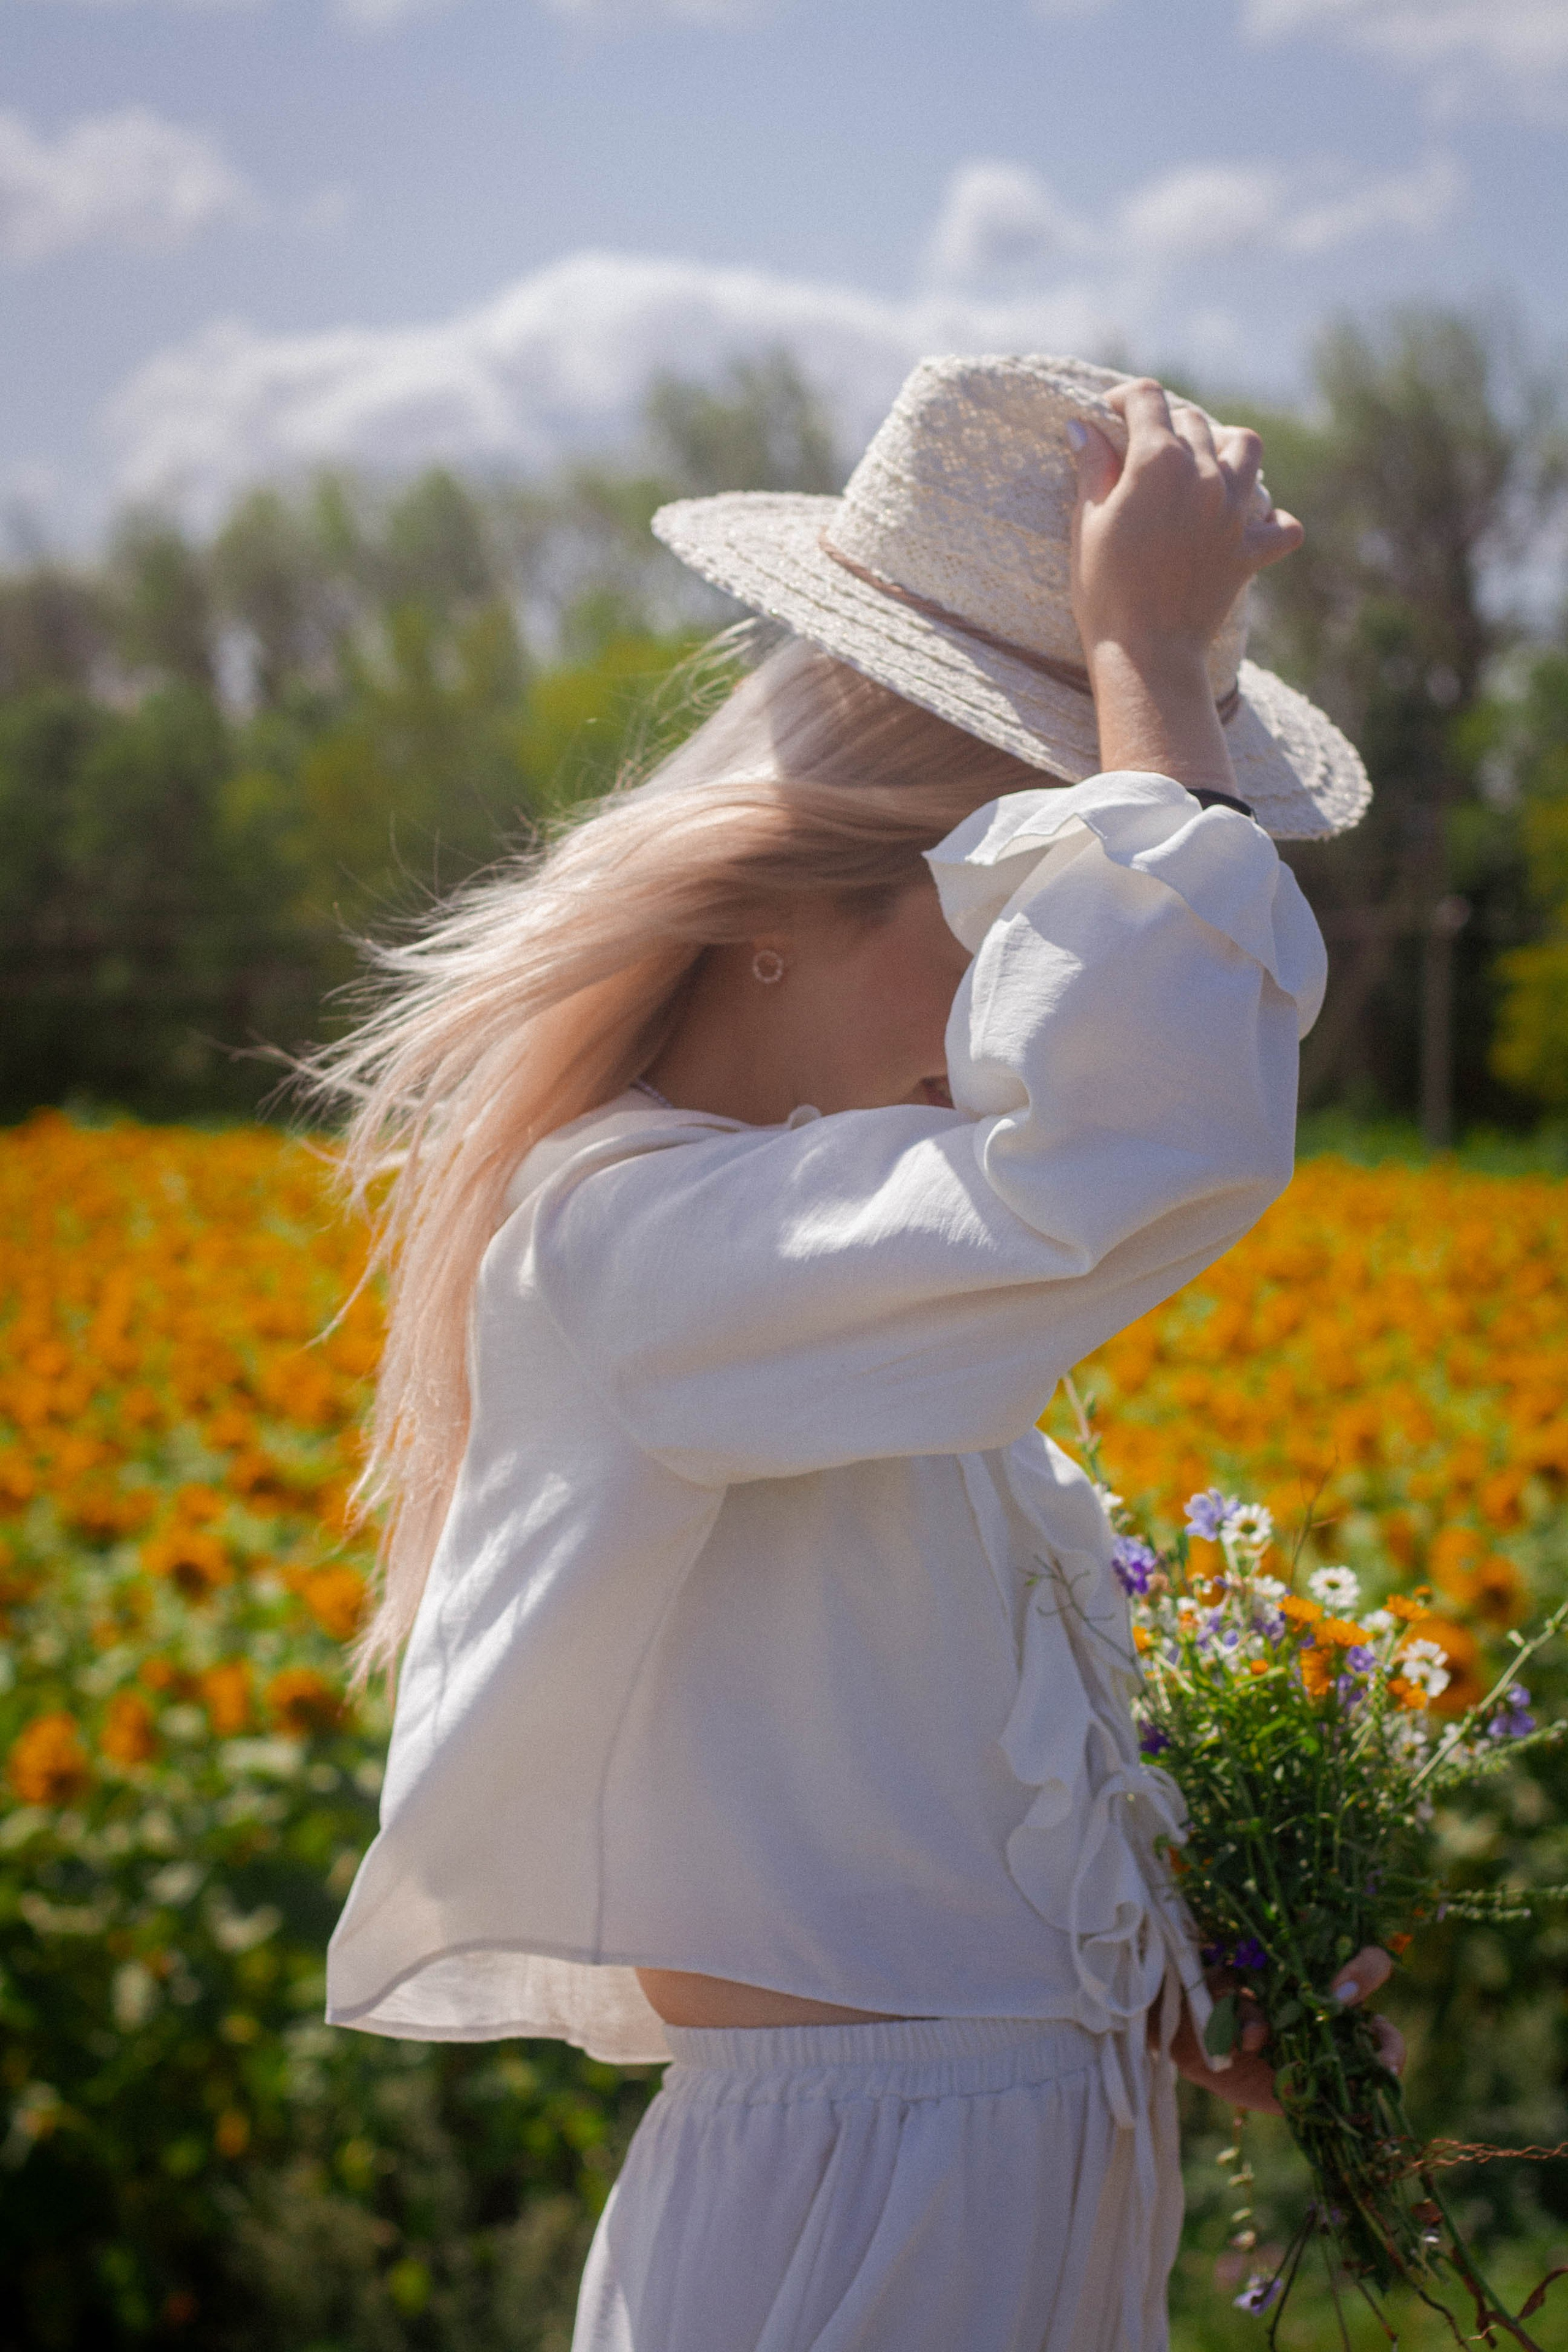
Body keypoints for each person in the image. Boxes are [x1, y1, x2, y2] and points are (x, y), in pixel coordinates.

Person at [321, 356, 1401, 2351]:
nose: (1025, 1011)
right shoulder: (631, 1247)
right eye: (1014, 912)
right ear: (785, 903)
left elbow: (909, 1815)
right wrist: (1147, 679)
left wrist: (1161, 1974)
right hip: (859, 2224)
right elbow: (1131, 1136)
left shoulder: (804, 1279)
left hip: (993, 2194)